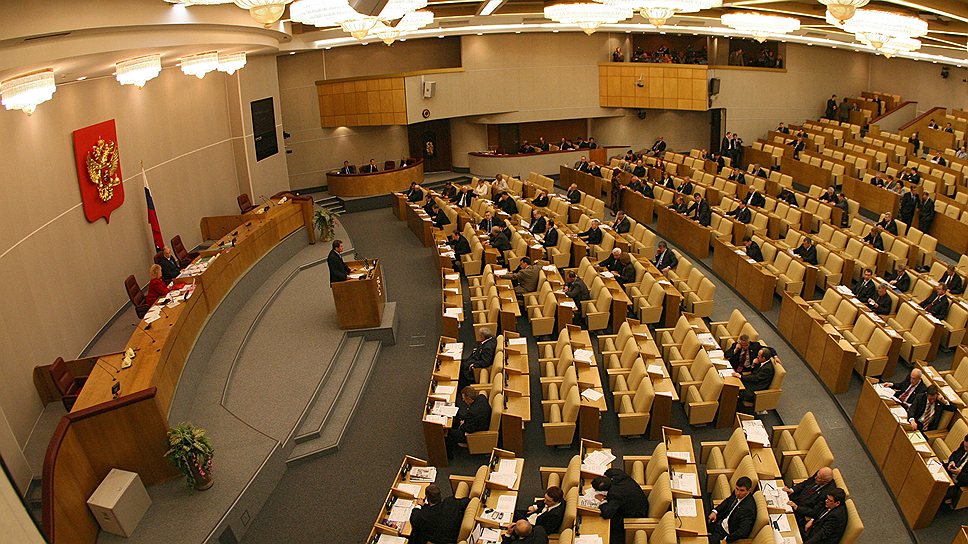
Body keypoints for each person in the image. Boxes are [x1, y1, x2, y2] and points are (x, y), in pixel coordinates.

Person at [592, 468, 648, 544]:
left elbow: (607, 513)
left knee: (611, 521)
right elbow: (609, 471)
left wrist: (603, 500)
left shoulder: (615, 494)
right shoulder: (617, 474)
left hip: (637, 512)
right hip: (640, 500)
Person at [783, 467, 835, 533]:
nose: (815, 478)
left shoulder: (828, 493)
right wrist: (792, 490)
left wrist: (797, 507)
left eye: (819, 478)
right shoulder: (818, 475)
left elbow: (815, 511)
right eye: (817, 475)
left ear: (825, 481)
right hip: (795, 499)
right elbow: (805, 483)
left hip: (801, 512)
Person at [707, 476, 756, 544]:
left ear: (749, 491)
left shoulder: (748, 509)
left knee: (704, 541)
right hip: (720, 521)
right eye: (737, 489)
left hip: (725, 533)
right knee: (699, 523)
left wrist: (727, 539)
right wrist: (715, 511)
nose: (738, 493)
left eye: (742, 490)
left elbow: (742, 532)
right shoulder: (736, 493)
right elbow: (727, 501)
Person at [446, 386, 492, 457]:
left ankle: (449, 455)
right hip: (480, 421)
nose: (463, 400)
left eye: (464, 399)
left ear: (469, 399)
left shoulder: (472, 413)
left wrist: (462, 425)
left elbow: (469, 429)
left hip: (476, 433)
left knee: (448, 433)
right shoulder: (482, 397)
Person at [944, 435, 968, 505]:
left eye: (967, 448)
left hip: (958, 484)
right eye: (965, 446)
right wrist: (952, 461)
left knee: (939, 494)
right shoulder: (964, 445)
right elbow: (954, 454)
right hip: (949, 473)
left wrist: (959, 473)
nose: (965, 449)